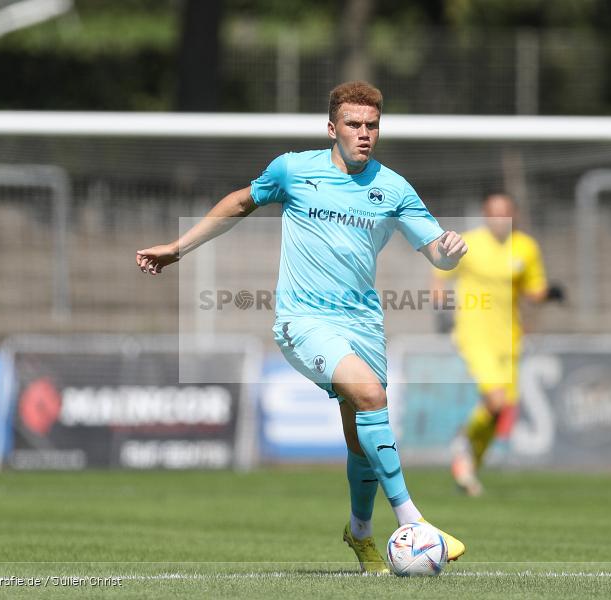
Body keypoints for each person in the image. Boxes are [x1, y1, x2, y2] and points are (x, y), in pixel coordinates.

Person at [136, 81, 468, 574]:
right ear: (332, 128)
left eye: (372, 125)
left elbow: (435, 251)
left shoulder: (393, 187)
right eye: (353, 125)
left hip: (363, 325)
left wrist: (448, 252)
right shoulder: (294, 169)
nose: (363, 134)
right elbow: (239, 203)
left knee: (361, 438)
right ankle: (415, 522)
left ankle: (359, 534)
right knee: (372, 396)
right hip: (303, 320)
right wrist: (176, 248)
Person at [432, 193, 563, 496]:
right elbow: (440, 272)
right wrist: (439, 302)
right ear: (485, 215)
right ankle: (463, 441)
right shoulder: (469, 243)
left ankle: (467, 468)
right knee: (496, 400)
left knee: (501, 410)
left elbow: (533, 291)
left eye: (504, 213)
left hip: (510, 337)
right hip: (474, 334)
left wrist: (551, 294)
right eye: (493, 213)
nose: (499, 219)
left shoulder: (526, 248)